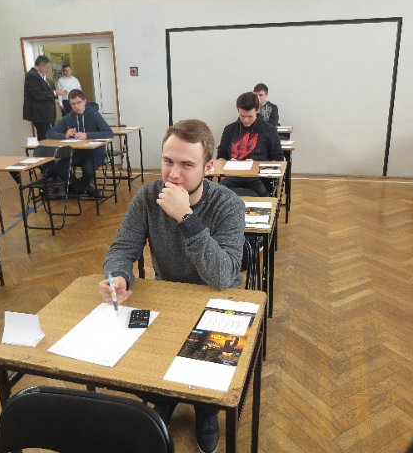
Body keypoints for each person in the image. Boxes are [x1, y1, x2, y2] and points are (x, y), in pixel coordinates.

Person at [99, 119, 245, 453]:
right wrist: (118, 275)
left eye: (187, 165)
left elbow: (224, 277)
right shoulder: (148, 196)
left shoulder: (227, 204)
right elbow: (122, 248)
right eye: (168, 161)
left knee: (206, 378)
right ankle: (164, 398)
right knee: (146, 364)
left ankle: (205, 410)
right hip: (167, 297)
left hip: (217, 303)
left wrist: (186, 219)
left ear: (208, 167)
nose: (173, 175)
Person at [46, 89, 113, 195]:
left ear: (84, 102)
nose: (76, 106)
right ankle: (80, 187)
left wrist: (87, 135)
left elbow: (109, 133)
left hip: (96, 152)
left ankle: (80, 188)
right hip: (78, 153)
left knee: (88, 169)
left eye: (79, 102)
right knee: (59, 167)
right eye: (73, 104)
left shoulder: (94, 114)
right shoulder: (68, 117)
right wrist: (65, 135)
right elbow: (49, 133)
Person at [217, 91, 283, 196]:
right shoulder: (229, 129)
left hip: (258, 178)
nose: (246, 120)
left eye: (250, 116)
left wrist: (256, 164)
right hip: (233, 176)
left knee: (262, 196)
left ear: (257, 110)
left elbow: (278, 161)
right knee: (217, 194)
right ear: (238, 110)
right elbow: (221, 158)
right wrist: (229, 162)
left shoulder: (269, 130)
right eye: (242, 116)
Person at [23, 55, 65, 141]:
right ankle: (44, 150)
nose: (48, 70)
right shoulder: (32, 76)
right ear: (41, 66)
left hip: (45, 115)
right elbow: (38, 95)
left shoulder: (39, 76)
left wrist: (55, 93)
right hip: (40, 115)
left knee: (48, 136)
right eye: (47, 67)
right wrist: (55, 92)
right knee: (45, 138)